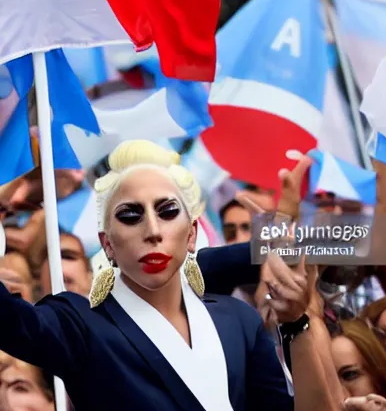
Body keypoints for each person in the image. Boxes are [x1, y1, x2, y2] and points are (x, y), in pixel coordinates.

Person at [0, 140, 331, 411]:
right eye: (130, 215)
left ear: (191, 234)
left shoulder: (238, 320)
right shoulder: (79, 325)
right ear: (107, 244)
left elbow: (364, 241)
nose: (153, 230)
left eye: (168, 211)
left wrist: (296, 322)